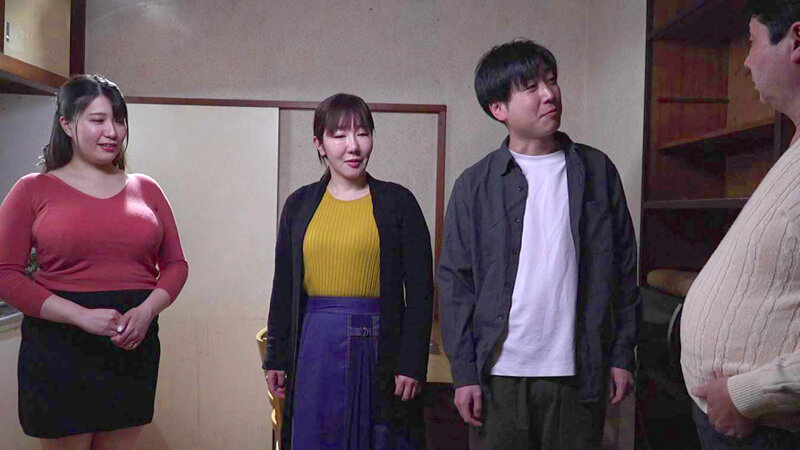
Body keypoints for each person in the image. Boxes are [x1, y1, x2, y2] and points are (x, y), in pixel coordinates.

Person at [438, 39, 640, 449]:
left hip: (579, 369)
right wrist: (464, 373)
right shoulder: (474, 185)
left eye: (551, 81)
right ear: (499, 108)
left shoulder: (597, 171)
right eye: (531, 87)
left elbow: (623, 270)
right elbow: (455, 283)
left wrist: (622, 354)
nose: (549, 94)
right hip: (498, 376)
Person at [0, 74, 188, 448]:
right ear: (67, 124)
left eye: (119, 120)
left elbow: (175, 265)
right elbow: (6, 274)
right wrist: (80, 316)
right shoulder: (32, 189)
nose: (112, 131)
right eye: (98, 120)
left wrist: (147, 311)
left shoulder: (146, 189)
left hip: (132, 344)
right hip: (59, 346)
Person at [263, 93, 433, 449]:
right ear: (320, 144)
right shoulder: (299, 205)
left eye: (362, 133)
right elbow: (284, 288)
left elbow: (421, 292)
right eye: (339, 135)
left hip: (379, 347)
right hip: (314, 345)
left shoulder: (399, 202)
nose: (353, 146)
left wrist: (412, 362)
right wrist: (276, 357)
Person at [680, 2, 800, 448]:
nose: (745, 62)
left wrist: (749, 394)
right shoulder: (793, 149)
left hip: (763, 426)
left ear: (796, 41)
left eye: (752, 43)